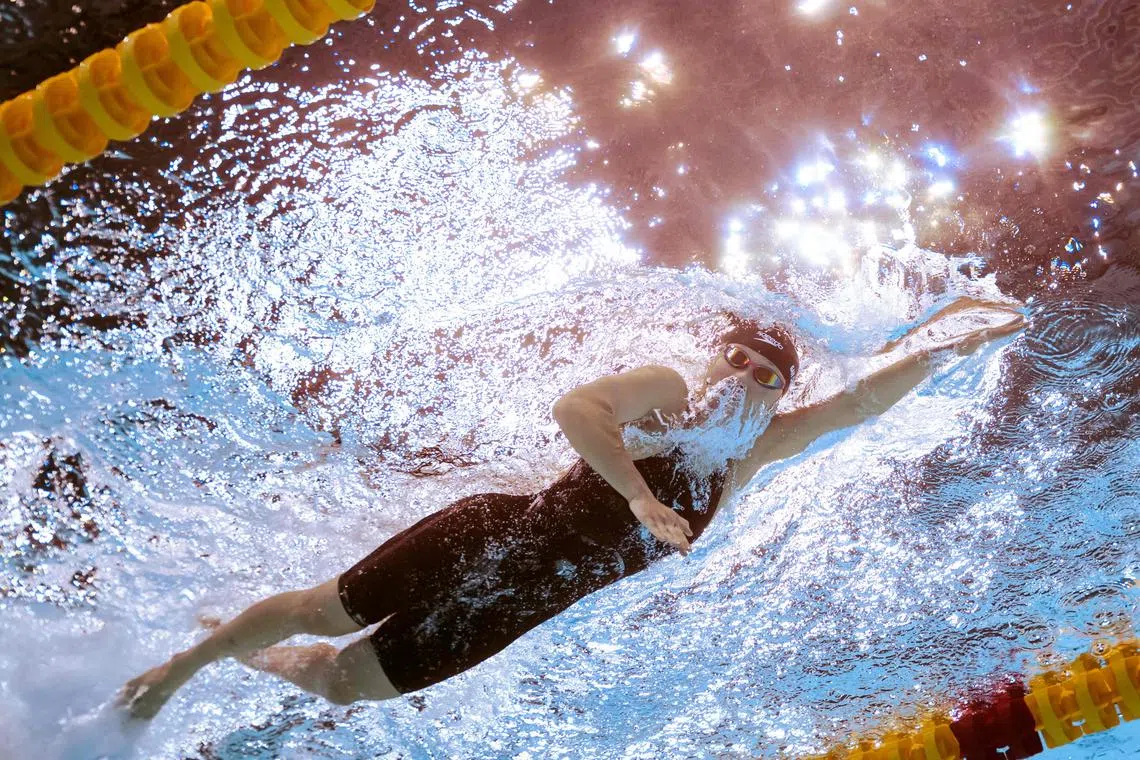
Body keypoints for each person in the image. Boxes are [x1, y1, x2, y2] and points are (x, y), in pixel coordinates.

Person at [117, 295, 1028, 719]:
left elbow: (863, 403)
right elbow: (577, 411)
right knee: (329, 605)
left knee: (343, 684)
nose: (747, 378)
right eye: (739, 359)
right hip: (483, 539)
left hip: (519, 606)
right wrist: (635, 494)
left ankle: (255, 650)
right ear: (717, 361)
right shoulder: (669, 395)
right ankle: (187, 664)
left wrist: (956, 343)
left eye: (768, 375)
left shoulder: (748, 451)